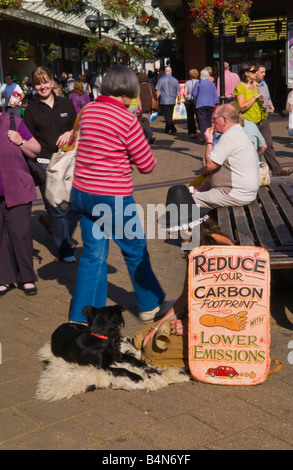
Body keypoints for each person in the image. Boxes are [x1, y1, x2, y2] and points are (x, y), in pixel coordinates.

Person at [69, 65, 171, 325]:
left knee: (93, 255)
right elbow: (147, 165)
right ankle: (150, 304)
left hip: (82, 192)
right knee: (135, 249)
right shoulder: (126, 119)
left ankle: (83, 317)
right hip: (112, 196)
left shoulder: (88, 109)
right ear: (128, 90)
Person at [134, 184, 234, 368]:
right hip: (200, 316)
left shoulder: (219, 251)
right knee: (143, 336)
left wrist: (189, 328)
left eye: (174, 229)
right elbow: (186, 297)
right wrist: (158, 325)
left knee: (150, 351)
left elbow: (226, 305)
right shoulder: (197, 246)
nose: (173, 235)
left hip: (221, 329)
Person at [23, 66, 78, 263]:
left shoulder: (65, 104)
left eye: (45, 81)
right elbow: (26, 139)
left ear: (52, 81)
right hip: (46, 164)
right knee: (57, 208)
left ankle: (52, 223)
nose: (42, 86)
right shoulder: (31, 110)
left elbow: (78, 127)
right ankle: (64, 249)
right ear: (34, 85)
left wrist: (69, 133)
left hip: (69, 160)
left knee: (73, 206)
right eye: (38, 83)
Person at [0, 105, 41, 296]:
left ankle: (26, 277)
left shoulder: (12, 121)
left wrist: (20, 141)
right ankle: (3, 277)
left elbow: (36, 149)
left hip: (18, 189)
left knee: (21, 233)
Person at [191, 104, 259, 209]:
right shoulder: (237, 132)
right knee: (194, 194)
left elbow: (209, 165)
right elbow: (222, 170)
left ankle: (189, 225)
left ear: (224, 120)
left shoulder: (230, 136)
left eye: (214, 119)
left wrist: (209, 141)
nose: (212, 122)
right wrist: (203, 187)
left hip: (235, 194)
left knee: (186, 201)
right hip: (241, 191)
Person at [255, 63, 292, 176]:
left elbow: (268, 97)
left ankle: (277, 171)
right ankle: (255, 172)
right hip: (253, 120)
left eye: (265, 72)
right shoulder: (249, 86)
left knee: (269, 144)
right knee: (253, 146)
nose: (264, 74)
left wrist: (270, 105)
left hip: (264, 118)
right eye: (262, 72)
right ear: (254, 72)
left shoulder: (264, 84)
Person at [192, 69, 219, 142]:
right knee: (208, 120)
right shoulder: (211, 84)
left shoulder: (198, 83)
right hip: (210, 104)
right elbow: (215, 96)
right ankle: (210, 135)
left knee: (202, 121)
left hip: (200, 104)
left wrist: (195, 100)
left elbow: (194, 94)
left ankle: (205, 137)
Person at [155, 66, 181, 135]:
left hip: (164, 100)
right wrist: (179, 99)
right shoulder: (175, 80)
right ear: (171, 72)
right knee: (169, 115)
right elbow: (178, 91)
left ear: (164, 72)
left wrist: (156, 99)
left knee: (167, 116)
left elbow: (158, 91)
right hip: (172, 100)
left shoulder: (161, 79)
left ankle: (173, 129)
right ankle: (167, 129)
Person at [138, 71, 157, 144]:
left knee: (144, 123)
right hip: (149, 106)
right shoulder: (150, 85)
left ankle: (151, 136)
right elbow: (154, 95)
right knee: (146, 122)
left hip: (142, 107)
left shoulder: (138, 87)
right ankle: (146, 137)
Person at [183, 68, 199, 137]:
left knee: (190, 117)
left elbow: (185, 93)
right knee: (198, 116)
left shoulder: (187, 83)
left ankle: (192, 132)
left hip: (190, 101)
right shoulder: (199, 82)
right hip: (198, 101)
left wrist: (186, 99)